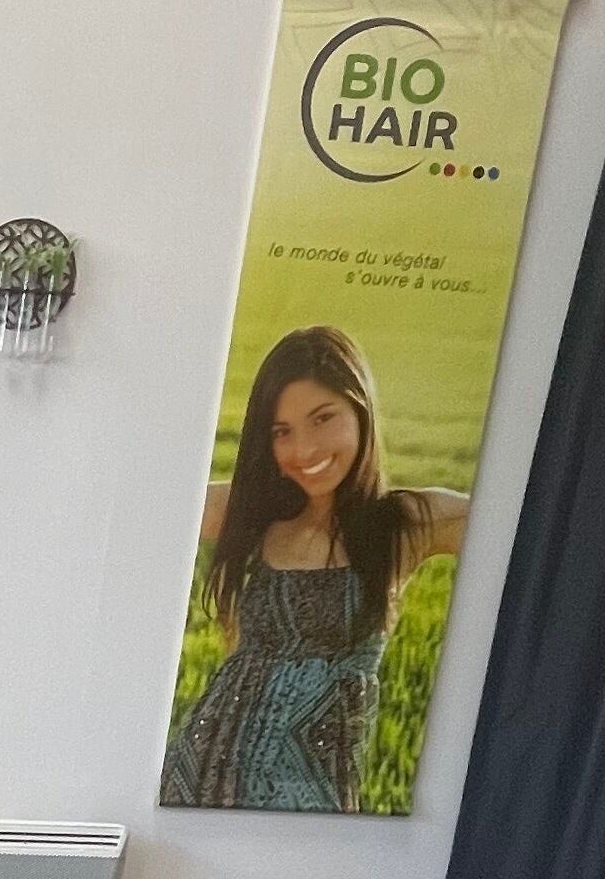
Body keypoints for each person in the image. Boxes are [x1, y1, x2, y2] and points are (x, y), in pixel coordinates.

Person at [161, 325, 468, 812]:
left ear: (361, 412)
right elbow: (139, 511)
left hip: (314, 800)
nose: (304, 450)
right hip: (200, 776)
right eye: (282, 432)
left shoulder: (403, 525)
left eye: (323, 418)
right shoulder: (250, 515)